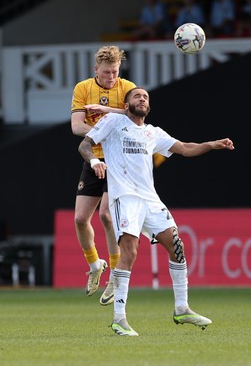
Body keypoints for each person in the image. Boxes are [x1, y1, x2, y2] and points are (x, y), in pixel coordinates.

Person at [78, 87, 235, 336]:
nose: (142, 98)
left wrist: (211, 145)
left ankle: (182, 308)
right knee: (129, 251)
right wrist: (95, 160)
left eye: (146, 97)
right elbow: (85, 145)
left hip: (150, 200)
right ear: (126, 104)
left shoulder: (153, 132)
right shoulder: (113, 121)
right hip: (125, 198)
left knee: (176, 245)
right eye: (136, 96)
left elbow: (184, 147)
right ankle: (119, 319)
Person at [71, 46, 136, 306]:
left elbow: (137, 117)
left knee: (107, 215)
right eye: (107, 72)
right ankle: (95, 264)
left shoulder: (127, 87)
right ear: (96, 70)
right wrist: (104, 128)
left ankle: (115, 276)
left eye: (115, 72)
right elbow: (76, 127)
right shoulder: (83, 88)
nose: (111, 77)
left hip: (119, 159)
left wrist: (107, 111)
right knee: (79, 218)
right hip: (93, 157)